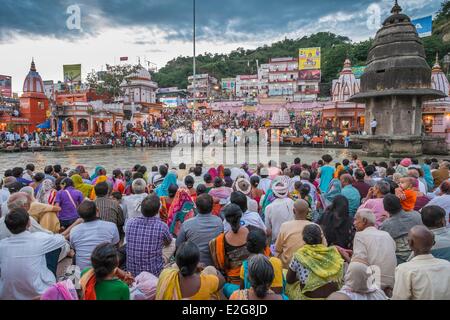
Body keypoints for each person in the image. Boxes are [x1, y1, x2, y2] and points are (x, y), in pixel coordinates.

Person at [0, 208, 67, 300]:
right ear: (29, 223)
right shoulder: (39, 239)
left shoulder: (2, 244)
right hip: (39, 291)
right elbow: (61, 240)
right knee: (54, 248)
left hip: (7, 294)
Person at [286, 224, 344, 300]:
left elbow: (289, 280)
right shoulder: (333, 253)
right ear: (321, 238)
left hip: (307, 298)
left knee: (287, 281)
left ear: (304, 239)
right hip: (332, 297)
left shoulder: (299, 255)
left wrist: (300, 278)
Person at [392, 226, 450, 300]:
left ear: (410, 243)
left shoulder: (404, 269)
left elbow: (399, 297)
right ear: (434, 243)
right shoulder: (447, 265)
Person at [156, 241, 225, 300]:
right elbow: (222, 281)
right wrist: (202, 269)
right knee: (210, 269)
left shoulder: (166, 273)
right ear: (197, 262)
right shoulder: (206, 281)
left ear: (177, 262)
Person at [125, 195, 173, 277]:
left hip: (132, 272)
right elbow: (168, 242)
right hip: (154, 273)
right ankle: (164, 263)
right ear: (158, 211)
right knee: (173, 242)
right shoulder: (162, 226)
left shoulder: (130, 223)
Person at [209, 203, 250, 298]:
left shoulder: (220, 240)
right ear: (241, 216)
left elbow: (220, 266)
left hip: (233, 283)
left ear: (226, 220)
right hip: (252, 280)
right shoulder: (252, 233)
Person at [352, 209, 397, 293]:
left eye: (356, 219)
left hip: (373, 283)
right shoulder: (386, 234)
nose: (354, 223)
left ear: (364, 221)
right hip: (391, 282)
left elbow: (358, 265)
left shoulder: (360, 235)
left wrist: (346, 256)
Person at [275, 199, 327, 269]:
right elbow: (324, 247)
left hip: (288, 266)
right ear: (308, 211)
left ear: (293, 211)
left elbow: (278, 249)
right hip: (310, 265)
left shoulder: (285, 226)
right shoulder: (315, 227)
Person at [69, 201, 120, 271]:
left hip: (83, 271)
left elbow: (75, 249)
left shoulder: (74, 230)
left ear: (80, 216)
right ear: (97, 210)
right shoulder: (112, 226)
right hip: (106, 270)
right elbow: (116, 248)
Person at [176, 194, 223, 266]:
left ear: (197, 208)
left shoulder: (187, 224)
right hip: (214, 265)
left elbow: (178, 245)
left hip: (193, 265)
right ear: (212, 207)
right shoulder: (219, 222)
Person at [380, 194, 423, 264]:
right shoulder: (416, 215)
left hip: (401, 260)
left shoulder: (385, 225)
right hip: (420, 254)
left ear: (385, 209)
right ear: (400, 204)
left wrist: (388, 220)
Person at [240, 229, 284, 295]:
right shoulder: (276, 262)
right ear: (265, 245)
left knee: (227, 287)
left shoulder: (245, 266)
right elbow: (278, 292)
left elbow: (242, 291)